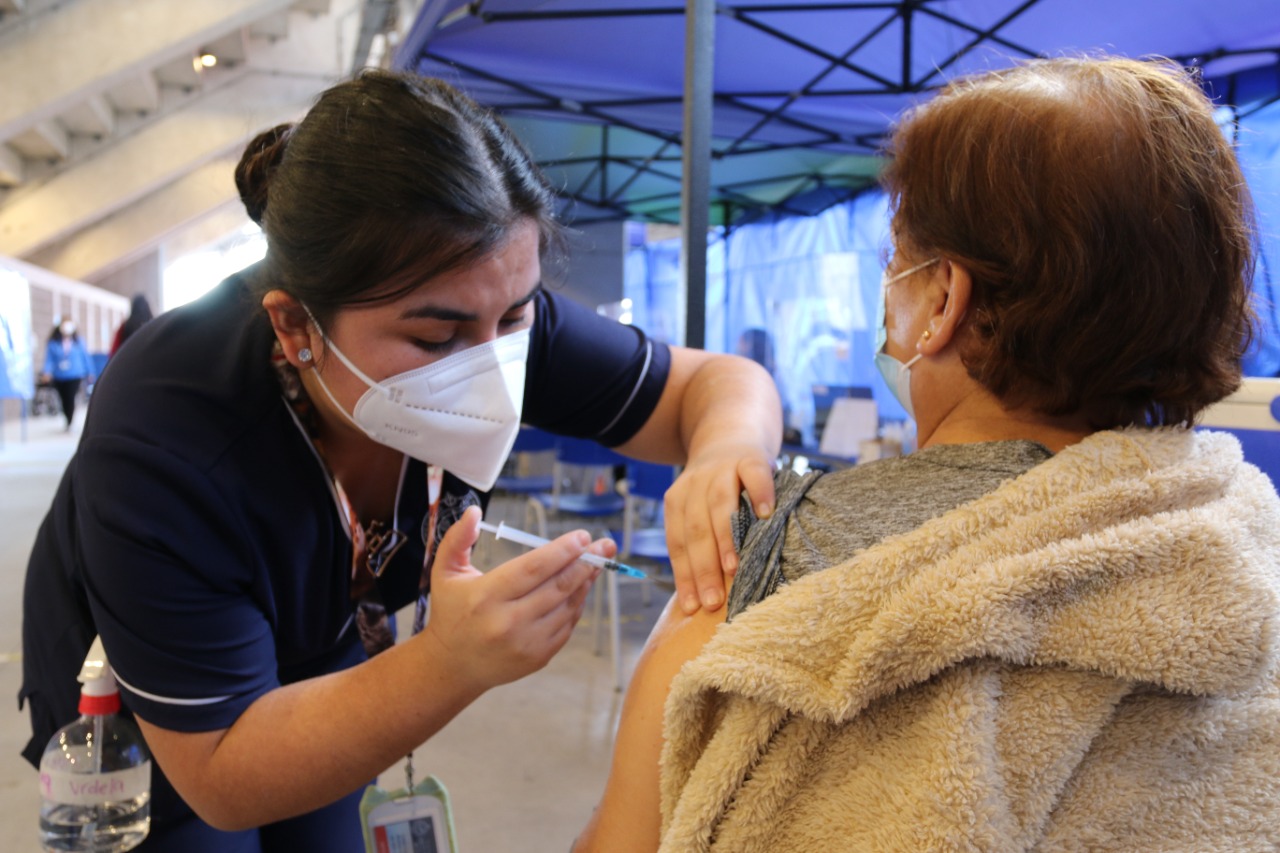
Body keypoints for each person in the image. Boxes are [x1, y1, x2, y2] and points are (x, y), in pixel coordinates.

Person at [20, 69, 781, 851]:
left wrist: (727, 448)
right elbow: (222, 771)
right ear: (295, 328)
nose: (489, 371)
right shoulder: (165, 433)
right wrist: (449, 662)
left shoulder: (486, 307)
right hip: (143, 707)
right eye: (433, 340)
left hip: (322, 650)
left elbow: (720, 383)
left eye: (516, 317)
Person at [576, 56, 1280, 851]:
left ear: (941, 301)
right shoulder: (1235, 540)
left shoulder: (759, 562)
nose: (887, 290)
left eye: (894, 262)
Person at [39, 318, 94, 430]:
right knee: (63, 398)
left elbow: (85, 357)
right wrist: (46, 372)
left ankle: (70, 420)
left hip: (75, 374)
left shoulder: (78, 341)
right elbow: (49, 360)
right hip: (59, 375)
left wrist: (90, 372)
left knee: (70, 397)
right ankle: (66, 416)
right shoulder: (53, 342)